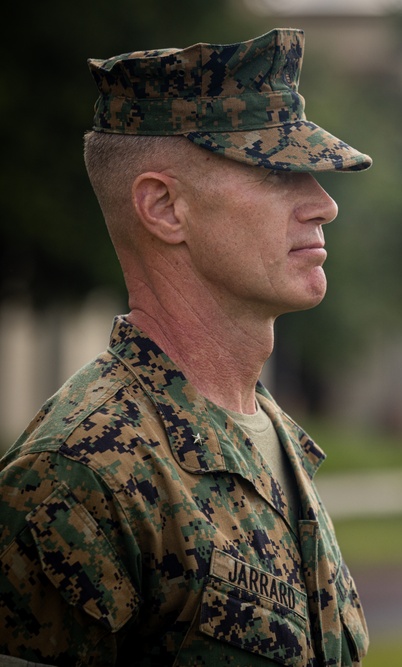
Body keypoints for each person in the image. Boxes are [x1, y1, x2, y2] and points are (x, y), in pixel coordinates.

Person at [0, 28, 372, 665]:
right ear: (164, 208)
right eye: (275, 172)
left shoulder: (269, 434)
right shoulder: (79, 477)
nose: (323, 204)